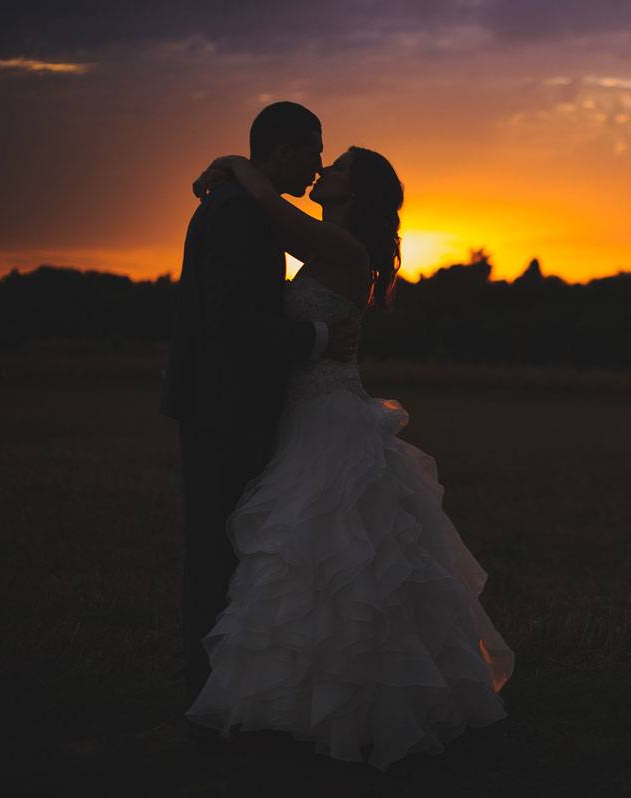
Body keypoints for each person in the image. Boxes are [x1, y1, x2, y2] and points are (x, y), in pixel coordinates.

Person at [178, 140, 514, 770]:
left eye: (336, 168)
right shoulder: (332, 248)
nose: (323, 169)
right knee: (312, 563)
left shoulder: (343, 249)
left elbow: (266, 203)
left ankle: (342, 709)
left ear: (352, 192)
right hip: (305, 410)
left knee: (329, 559)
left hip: (325, 419)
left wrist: (233, 163)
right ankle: (297, 702)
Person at [160, 101, 360, 718]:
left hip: (239, 405)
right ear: (284, 152)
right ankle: (210, 694)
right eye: (315, 150)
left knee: (236, 550)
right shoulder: (238, 211)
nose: (319, 165)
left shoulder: (248, 205)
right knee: (219, 551)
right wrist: (318, 337)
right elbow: (230, 321)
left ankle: (233, 689)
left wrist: (230, 163)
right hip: (223, 407)